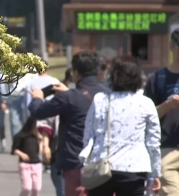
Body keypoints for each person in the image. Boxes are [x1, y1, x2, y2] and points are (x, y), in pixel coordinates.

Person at [28, 51, 109, 196]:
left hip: (76, 163)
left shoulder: (69, 97)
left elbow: (38, 111)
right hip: (106, 165)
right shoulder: (109, 94)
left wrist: (38, 97)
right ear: (98, 70)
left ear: (75, 73)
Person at [80, 56, 161, 196]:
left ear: (113, 76)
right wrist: (155, 173)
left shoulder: (100, 99)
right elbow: (153, 142)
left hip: (101, 167)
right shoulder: (146, 103)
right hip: (134, 168)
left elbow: (88, 135)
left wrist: (86, 162)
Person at [144, 26, 179, 196]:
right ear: (172, 46)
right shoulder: (157, 78)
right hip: (167, 148)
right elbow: (146, 116)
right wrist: (168, 105)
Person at [12, 116, 43, 196]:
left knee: (36, 188)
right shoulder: (20, 136)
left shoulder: (36, 138)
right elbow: (14, 150)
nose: (37, 130)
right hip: (25, 165)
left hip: (36, 165)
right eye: (36, 127)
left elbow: (39, 152)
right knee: (27, 188)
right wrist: (22, 154)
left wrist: (41, 140)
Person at [37, 117, 64, 196]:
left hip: (83, 151)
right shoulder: (57, 104)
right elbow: (46, 123)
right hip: (58, 149)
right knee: (62, 189)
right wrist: (45, 145)